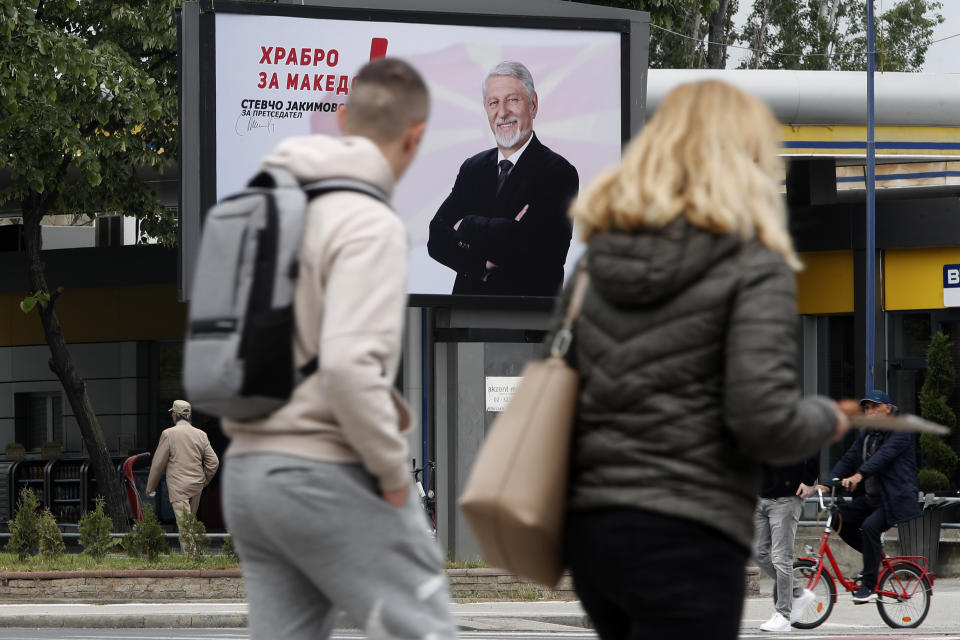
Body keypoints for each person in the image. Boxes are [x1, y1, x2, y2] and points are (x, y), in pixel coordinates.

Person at [551, 80, 852, 640]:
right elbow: (761, 417)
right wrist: (822, 420)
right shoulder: (749, 263)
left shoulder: (599, 260)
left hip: (596, 532)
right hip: (687, 529)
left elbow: (563, 386)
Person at [220, 58, 455, 640]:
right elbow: (350, 368)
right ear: (416, 135)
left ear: (341, 117)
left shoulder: (265, 206)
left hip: (250, 474)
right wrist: (393, 473)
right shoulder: (367, 222)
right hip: (326, 472)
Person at [427, 60, 578, 296]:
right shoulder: (472, 168)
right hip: (467, 319)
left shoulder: (559, 172)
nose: (502, 112)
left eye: (512, 100)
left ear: (533, 104)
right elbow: (436, 239)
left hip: (528, 321)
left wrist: (466, 224)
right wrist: (481, 264)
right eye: (493, 103)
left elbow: (538, 249)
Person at [823, 389, 921, 603]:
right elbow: (849, 457)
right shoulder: (867, 433)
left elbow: (884, 457)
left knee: (869, 527)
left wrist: (859, 475)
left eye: (875, 407)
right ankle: (873, 556)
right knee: (837, 519)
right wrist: (827, 483)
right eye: (867, 408)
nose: (870, 412)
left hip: (893, 498)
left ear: (888, 408)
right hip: (870, 498)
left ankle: (870, 585)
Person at [754, 457, 819, 632]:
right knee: (757, 552)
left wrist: (808, 480)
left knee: (781, 557)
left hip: (786, 497)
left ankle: (783, 616)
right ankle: (798, 591)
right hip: (761, 496)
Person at [145, 399, 219, 551]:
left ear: (175, 415)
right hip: (197, 485)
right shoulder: (201, 434)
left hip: (178, 486)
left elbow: (158, 464)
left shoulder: (168, 434)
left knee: (184, 524)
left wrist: (150, 487)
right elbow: (214, 462)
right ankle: (195, 553)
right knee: (190, 521)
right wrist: (204, 480)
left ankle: (191, 558)